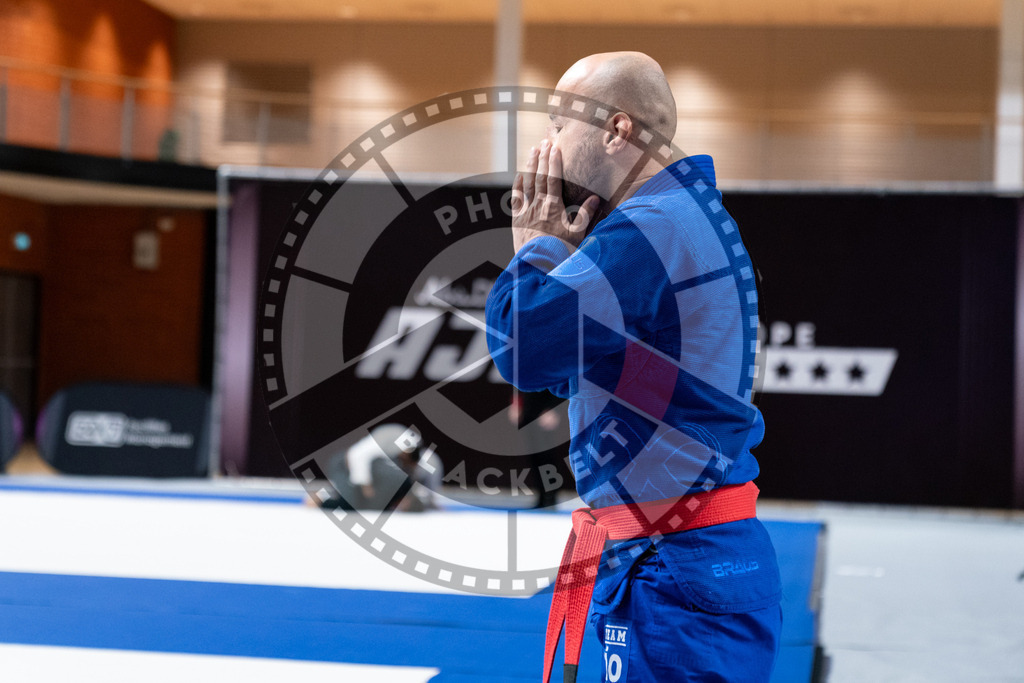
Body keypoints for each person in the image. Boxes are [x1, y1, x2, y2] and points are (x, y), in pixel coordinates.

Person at [485, 52, 782, 682]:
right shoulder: (687, 218)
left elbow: (522, 348)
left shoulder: (654, 228)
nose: (548, 145)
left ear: (618, 131)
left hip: (675, 567)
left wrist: (536, 248)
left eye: (561, 123)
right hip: (686, 558)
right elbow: (573, 371)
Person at [323, 423, 441, 512]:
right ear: (405, 453)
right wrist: (366, 486)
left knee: (374, 505)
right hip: (343, 466)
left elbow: (432, 468)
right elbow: (356, 455)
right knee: (351, 505)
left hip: (369, 473)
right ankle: (318, 500)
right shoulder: (386, 441)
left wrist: (431, 500)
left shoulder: (418, 454)